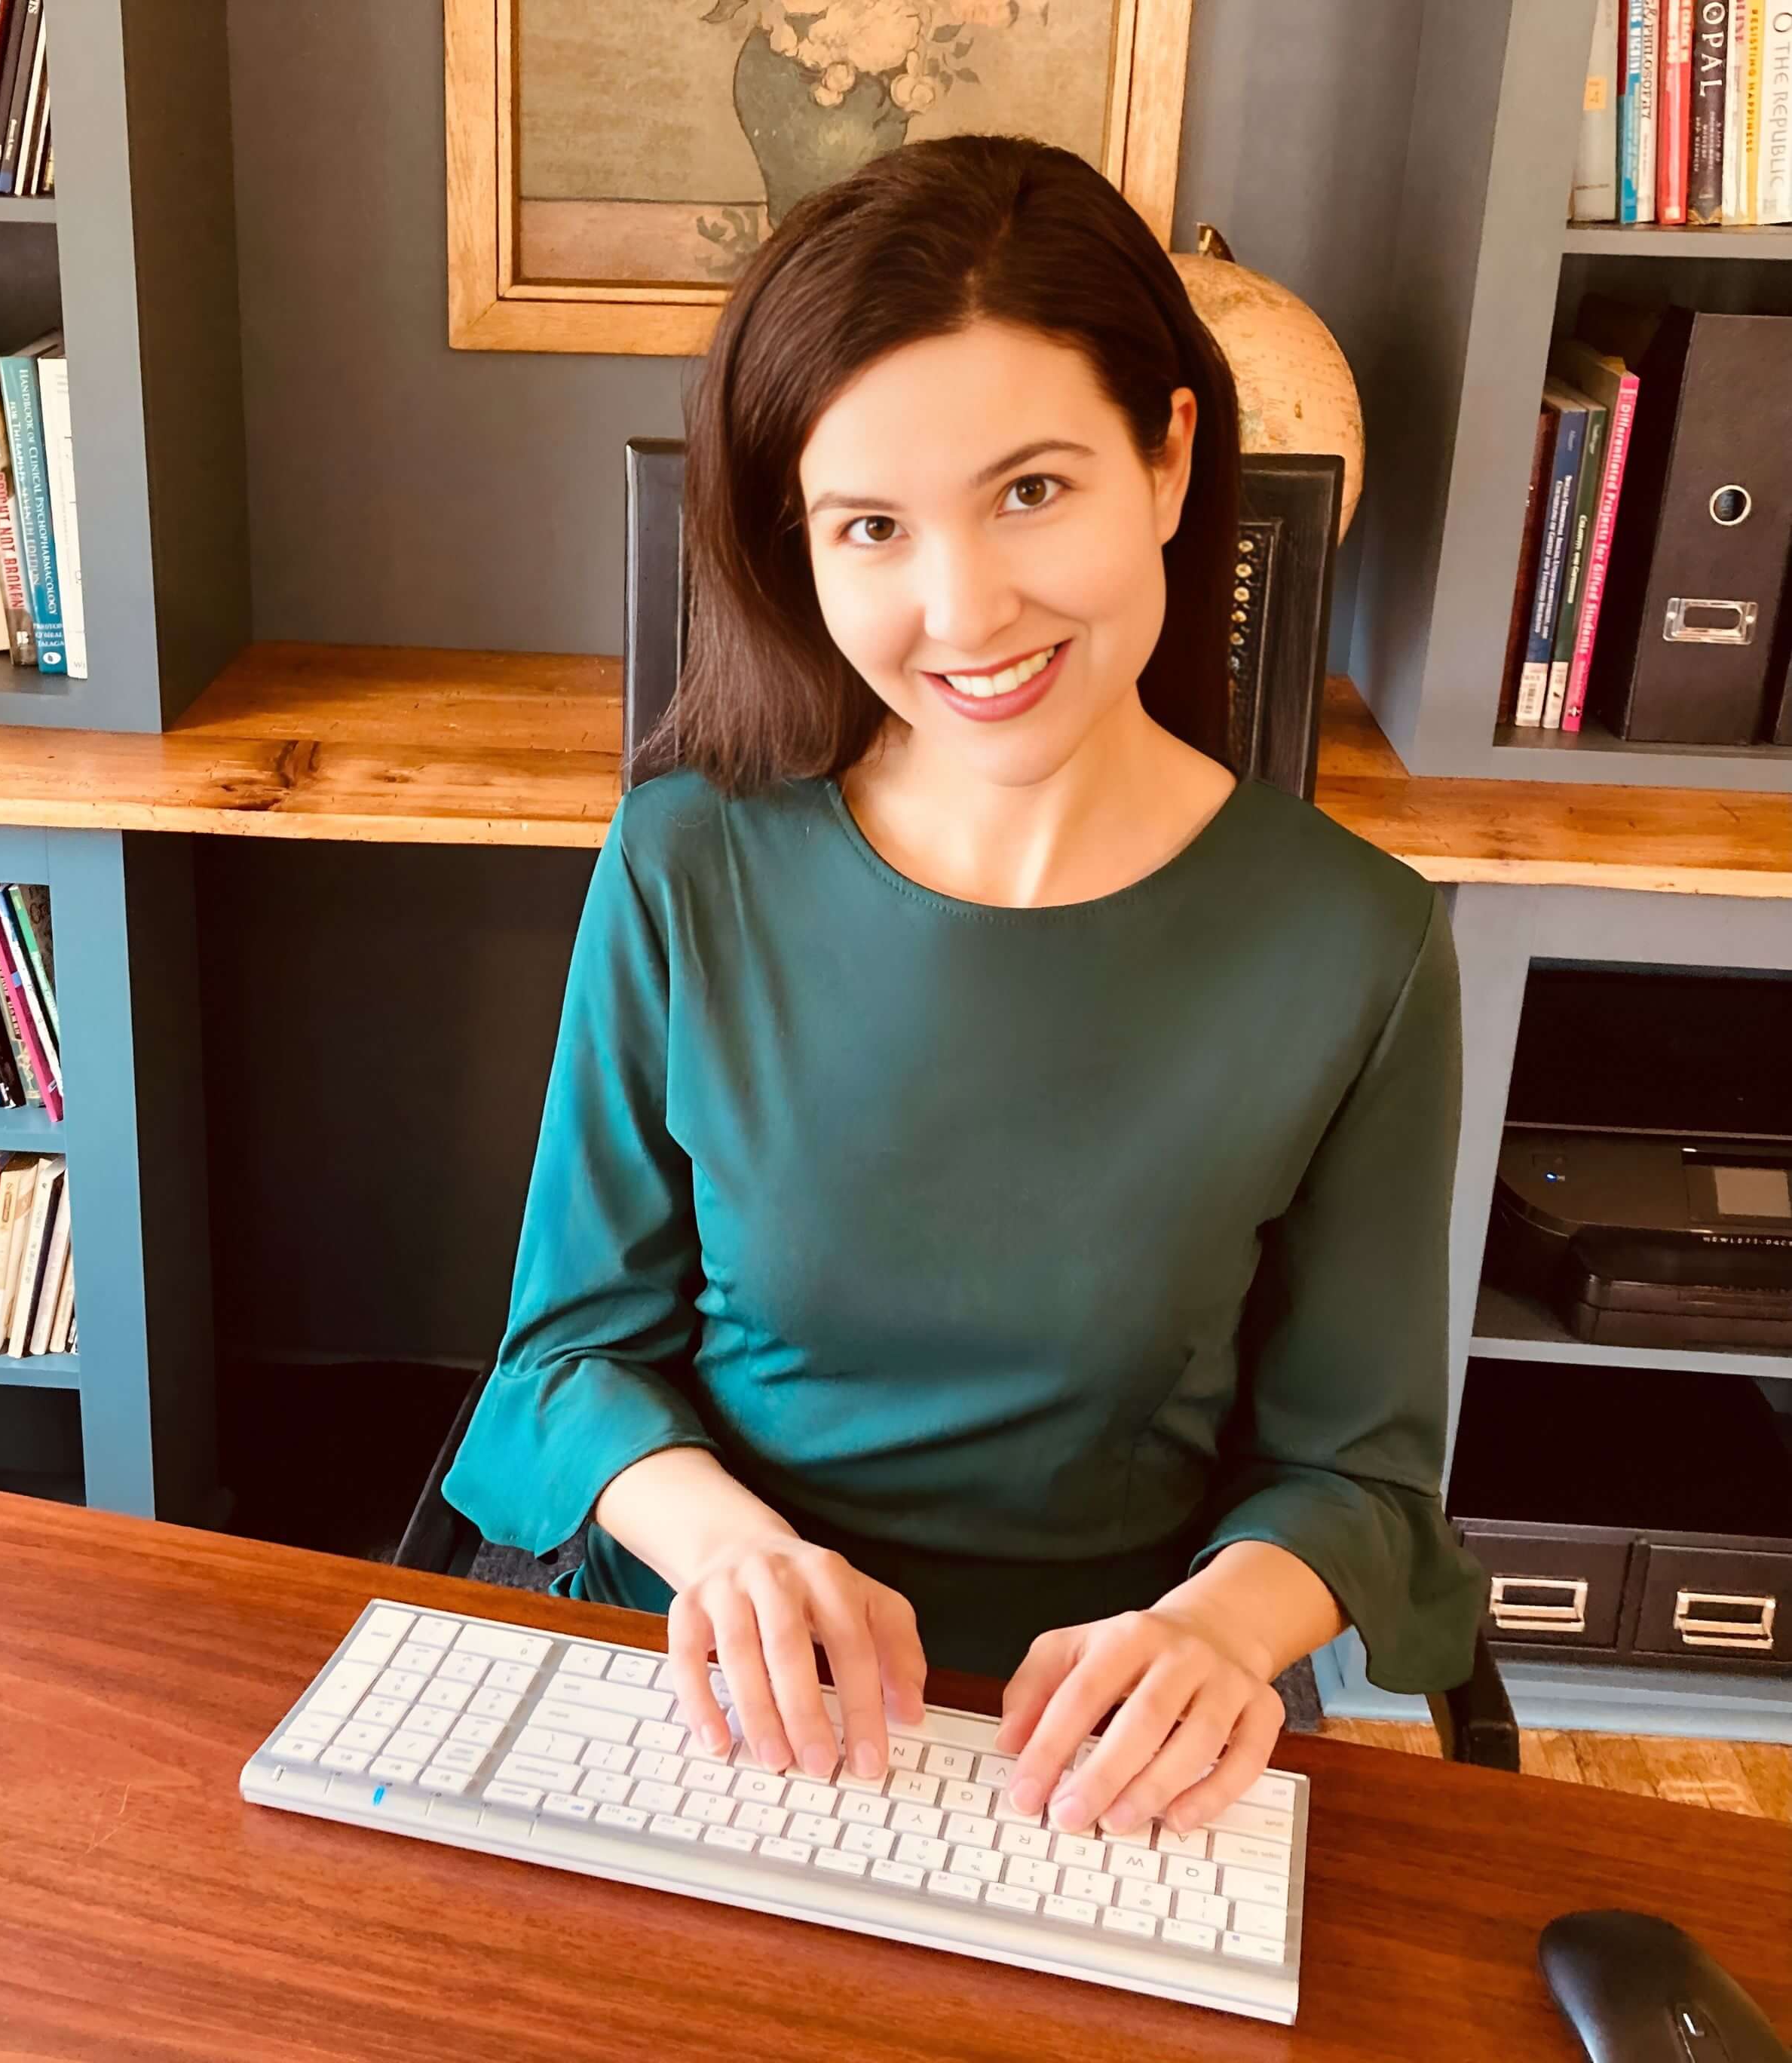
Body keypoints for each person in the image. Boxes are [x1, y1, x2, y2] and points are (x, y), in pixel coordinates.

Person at [443, 133, 1487, 1844]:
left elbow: (1356, 1474)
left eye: (1030, 490)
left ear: (1165, 461)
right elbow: (563, 1359)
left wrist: (1220, 1632)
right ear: (801, 549)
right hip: (708, 1684)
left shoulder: (1355, 944)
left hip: (1096, 1743)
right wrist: (731, 1550)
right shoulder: (684, 863)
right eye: (869, 525)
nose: (960, 611)